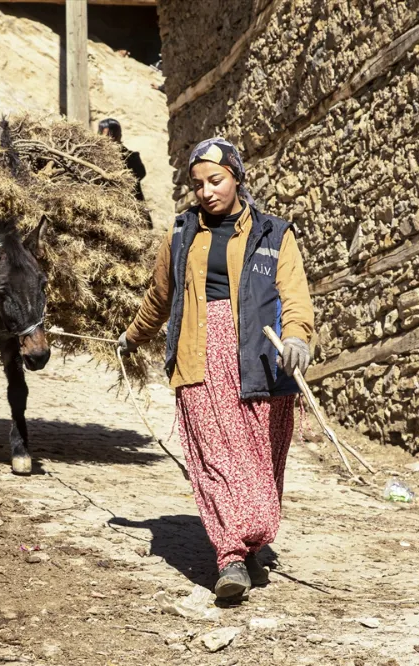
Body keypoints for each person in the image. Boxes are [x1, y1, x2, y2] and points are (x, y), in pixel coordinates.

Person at [117, 137, 314, 601]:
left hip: (260, 359)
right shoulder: (181, 233)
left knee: (259, 462)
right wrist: (132, 337)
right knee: (215, 461)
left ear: (237, 178)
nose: (206, 191)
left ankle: (252, 539)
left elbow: (295, 295)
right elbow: (159, 298)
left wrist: (297, 337)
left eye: (216, 180)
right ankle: (229, 557)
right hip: (198, 355)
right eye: (198, 183)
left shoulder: (275, 233)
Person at [98, 118, 147, 202]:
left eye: (111, 135)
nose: (109, 139)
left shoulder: (131, 157)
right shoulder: (96, 155)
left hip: (129, 199)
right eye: (105, 135)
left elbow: (140, 173)